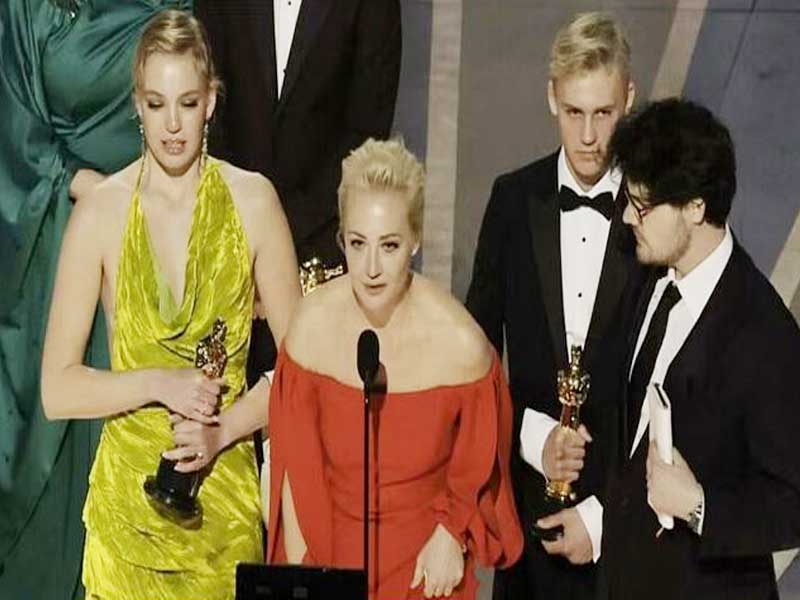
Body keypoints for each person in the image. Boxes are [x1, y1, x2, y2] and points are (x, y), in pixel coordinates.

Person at [40, 10, 300, 599]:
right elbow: (58, 389)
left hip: (223, 511)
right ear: (137, 104)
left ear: (211, 101)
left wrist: (224, 429)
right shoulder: (100, 213)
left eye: (187, 102)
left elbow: (301, 373)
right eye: (157, 104)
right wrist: (161, 383)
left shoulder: (255, 203)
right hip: (125, 522)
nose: (173, 125)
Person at [266, 138, 523, 599]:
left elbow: (478, 469)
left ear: (416, 241)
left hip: (424, 575)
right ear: (341, 239)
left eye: (389, 245)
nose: (371, 268)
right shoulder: (311, 328)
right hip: (330, 560)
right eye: (357, 243)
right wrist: (310, 580)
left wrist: (452, 532)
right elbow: (296, 480)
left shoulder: (461, 345)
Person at [0, 1, 193, 598]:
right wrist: (103, 196)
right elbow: (16, 134)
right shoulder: (26, 9)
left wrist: (152, 206)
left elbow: (188, 94)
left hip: (154, 241)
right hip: (53, 237)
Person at [465, 12, 638, 600]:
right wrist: (533, 436)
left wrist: (605, 512)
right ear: (550, 99)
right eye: (573, 112)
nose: (588, 136)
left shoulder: (656, 213)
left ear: (629, 99)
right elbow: (476, 358)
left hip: (626, 521)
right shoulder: (512, 201)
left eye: (603, 114)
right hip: (530, 522)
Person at [601, 98, 800, 599]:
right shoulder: (644, 270)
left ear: (695, 207)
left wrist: (699, 507)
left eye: (642, 206)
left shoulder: (764, 335)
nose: (627, 217)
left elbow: (792, 501)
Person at [195, 0, 402, 384]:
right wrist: (244, 235)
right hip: (226, 240)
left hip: (321, 250)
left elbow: (365, 132)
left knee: (307, 397)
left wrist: (276, 242)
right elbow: (209, 112)